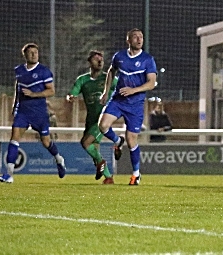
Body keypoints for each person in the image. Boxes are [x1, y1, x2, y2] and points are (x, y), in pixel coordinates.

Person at [0, 43, 66, 183]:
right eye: (31, 52)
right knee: (14, 138)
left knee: (46, 142)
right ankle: (9, 174)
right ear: (25, 55)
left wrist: (33, 94)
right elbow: (18, 86)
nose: (34, 54)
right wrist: (14, 104)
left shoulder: (44, 71)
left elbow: (51, 91)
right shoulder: (19, 70)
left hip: (39, 113)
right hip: (23, 111)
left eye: (36, 52)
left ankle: (59, 159)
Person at [98, 29, 158, 186]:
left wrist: (133, 90)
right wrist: (106, 91)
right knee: (103, 125)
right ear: (128, 40)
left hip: (136, 105)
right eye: (135, 37)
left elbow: (151, 83)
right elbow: (111, 71)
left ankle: (136, 174)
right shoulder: (119, 56)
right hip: (118, 100)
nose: (139, 39)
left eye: (141, 37)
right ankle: (118, 141)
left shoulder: (147, 59)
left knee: (132, 140)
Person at [66, 50, 117, 184]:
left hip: (103, 119)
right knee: (94, 150)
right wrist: (71, 96)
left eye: (101, 59)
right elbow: (73, 92)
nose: (100, 61)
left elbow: (123, 88)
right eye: (96, 59)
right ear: (89, 62)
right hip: (90, 120)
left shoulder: (109, 78)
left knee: (85, 143)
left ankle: (101, 162)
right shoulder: (83, 80)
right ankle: (108, 178)